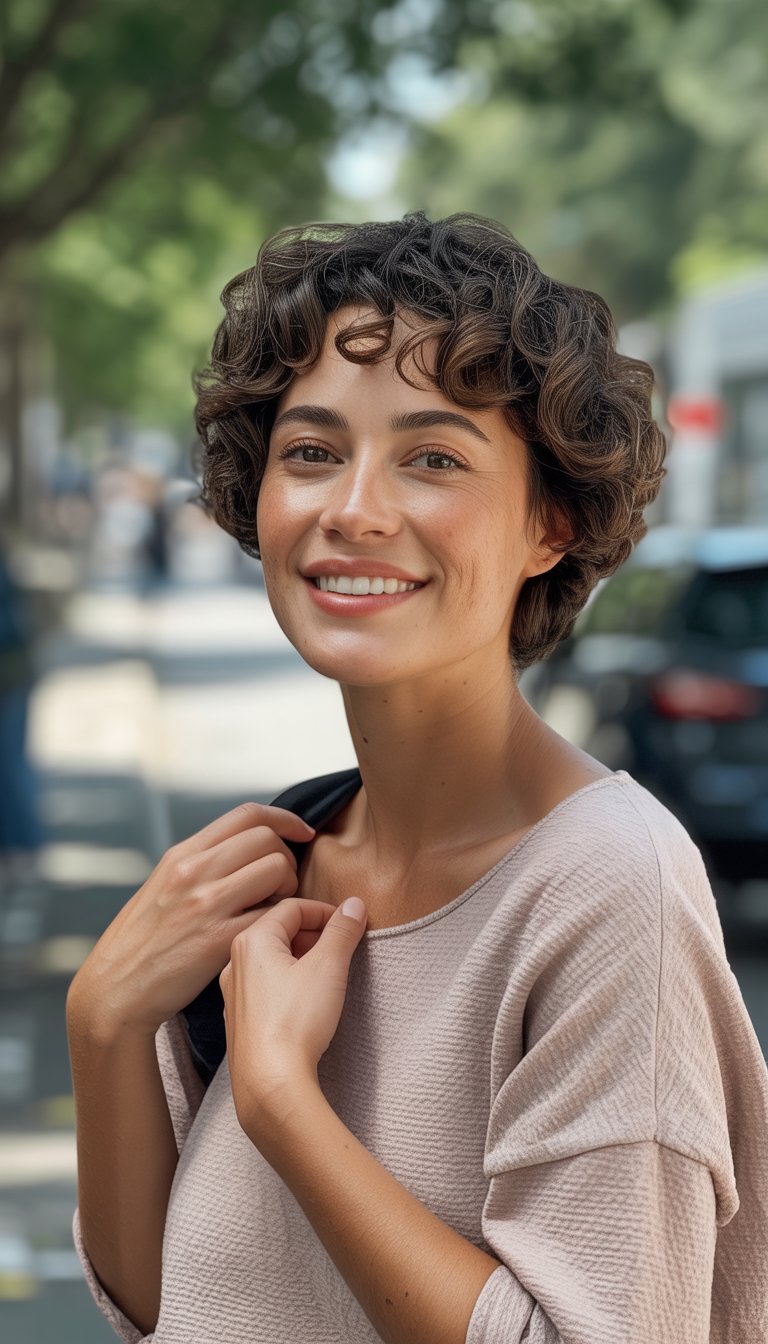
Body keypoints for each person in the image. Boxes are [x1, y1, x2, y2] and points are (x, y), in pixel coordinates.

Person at [66, 211, 768, 1344]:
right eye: (311, 452)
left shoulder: (606, 890)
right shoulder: (269, 867)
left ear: (553, 520)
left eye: (433, 457)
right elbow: (173, 1304)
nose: (354, 509)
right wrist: (102, 1020)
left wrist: (288, 1107)